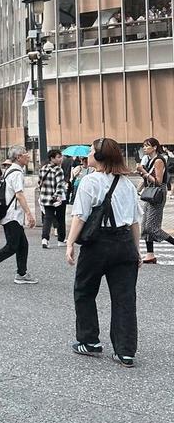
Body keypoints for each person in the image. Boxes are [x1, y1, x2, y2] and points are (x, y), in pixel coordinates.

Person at [67, 137, 143, 366]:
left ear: (99, 157)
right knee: (125, 298)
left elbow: (80, 216)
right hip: (124, 243)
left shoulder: (89, 182)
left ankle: (89, 341)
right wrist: (136, 251)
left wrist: (70, 243)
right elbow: (135, 222)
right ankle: (125, 351)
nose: (88, 155)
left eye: (91, 151)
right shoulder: (127, 184)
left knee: (84, 291)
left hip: (97, 244)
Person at [0, 146, 38, 285]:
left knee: (23, 245)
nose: (28, 156)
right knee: (12, 246)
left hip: (11, 214)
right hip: (12, 215)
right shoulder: (16, 173)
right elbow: (19, 195)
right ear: (18, 157)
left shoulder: (11, 170)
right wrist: (29, 214)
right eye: (25, 154)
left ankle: (21, 274)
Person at [135, 137, 174, 263]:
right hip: (150, 193)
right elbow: (149, 178)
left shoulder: (158, 160)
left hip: (156, 194)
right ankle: (150, 254)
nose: (144, 148)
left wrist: (144, 172)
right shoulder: (151, 160)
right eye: (144, 146)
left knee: (153, 227)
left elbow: (158, 182)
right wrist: (142, 173)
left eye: (147, 146)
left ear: (155, 147)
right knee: (146, 226)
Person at [38, 149, 68, 249]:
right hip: (57, 199)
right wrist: (58, 196)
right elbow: (60, 185)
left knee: (47, 219)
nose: (61, 159)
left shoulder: (43, 169)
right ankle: (61, 240)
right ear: (52, 158)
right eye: (58, 157)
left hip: (46, 198)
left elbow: (40, 183)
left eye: (61, 157)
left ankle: (45, 239)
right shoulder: (58, 170)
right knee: (60, 218)